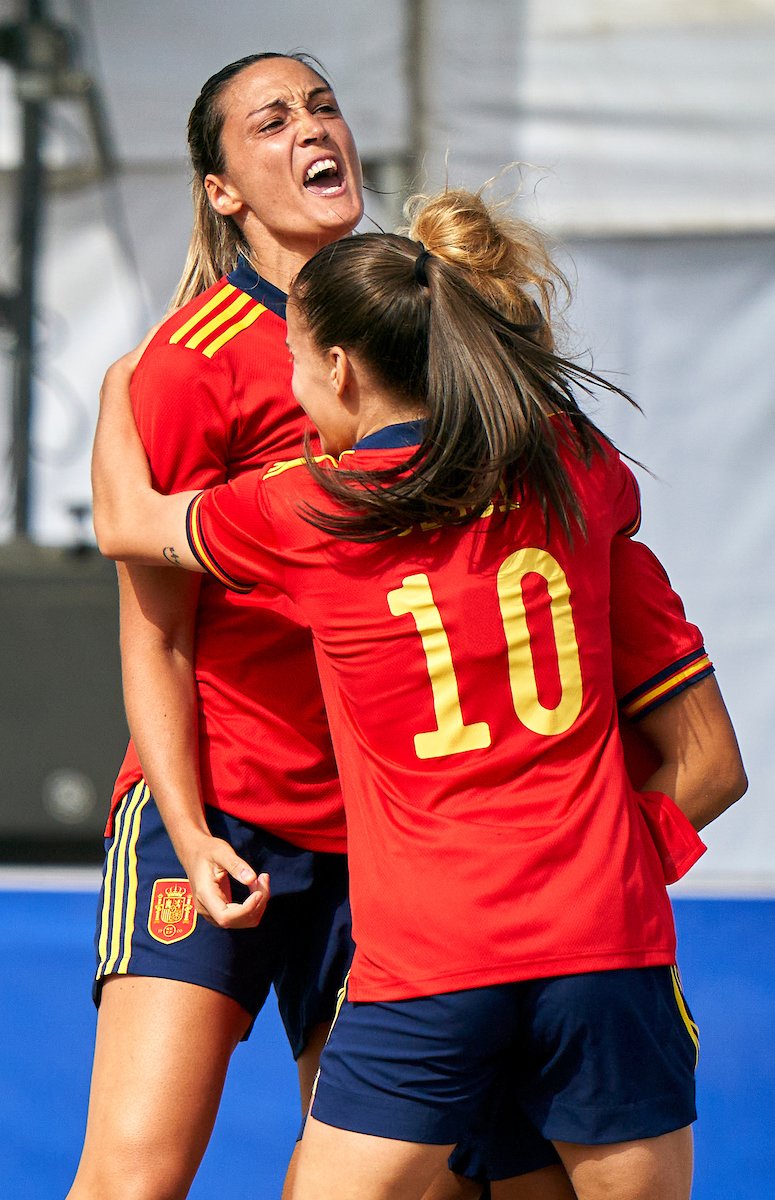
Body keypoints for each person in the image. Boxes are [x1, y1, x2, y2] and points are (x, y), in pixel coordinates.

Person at [91, 191, 746, 1200]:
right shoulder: (570, 466)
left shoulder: (313, 508)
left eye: (298, 360)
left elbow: (129, 525)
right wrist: (618, 861)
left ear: (341, 369)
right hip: (602, 939)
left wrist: (114, 389)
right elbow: (707, 760)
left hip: (435, 951)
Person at [67, 51, 364, 1200]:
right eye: (272, 119)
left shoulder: (411, 335)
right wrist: (189, 832)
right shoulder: (188, 365)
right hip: (219, 809)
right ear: (221, 188)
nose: (310, 126)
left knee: (382, 1180)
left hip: (378, 834)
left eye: (323, 105)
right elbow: (156, 636)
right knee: (135, 1175)